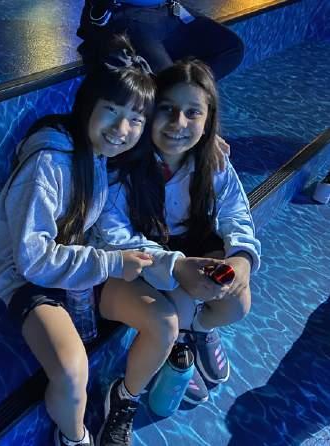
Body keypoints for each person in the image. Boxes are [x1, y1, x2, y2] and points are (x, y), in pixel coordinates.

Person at [0, 36, 160, 446]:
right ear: (88, 105)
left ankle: (121, 398)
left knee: (160, 315)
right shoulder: (50, 162)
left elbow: (99, 226)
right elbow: (32, 260)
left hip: (67, 260)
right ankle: (74, 436)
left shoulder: (98, 154)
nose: (122, 130)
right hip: (27, 274)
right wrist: (111, 264)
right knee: (71, 371)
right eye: (112, 110)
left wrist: (160, 259)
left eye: (135, 119)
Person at [92, 58, 261, 440]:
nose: (178, 122)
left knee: (237, 302)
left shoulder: (212, 160)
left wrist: (241, 258)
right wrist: (177, 267)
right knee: (178, 309)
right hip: (140, 259)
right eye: (166, 109)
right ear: (149, 111)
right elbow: (114, 235)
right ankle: (173, 346)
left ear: (208, 118)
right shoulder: (122, 165)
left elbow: (236, 211)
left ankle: (199, 330)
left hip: (183, 250)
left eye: (192, 113)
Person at [77, 0, 244, 78]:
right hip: (126, 13)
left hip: (167, 9)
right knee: (169, 81)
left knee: (231, 48)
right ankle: (183, 106)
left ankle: (189, 99)